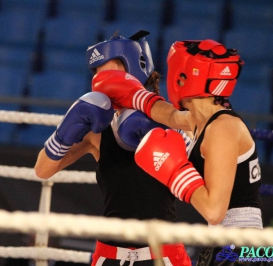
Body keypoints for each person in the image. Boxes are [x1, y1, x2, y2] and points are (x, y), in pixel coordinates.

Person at [92, 39, 273, 265]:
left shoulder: (222, 127)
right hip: (224, 243)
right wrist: (133, 94)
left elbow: (214, 210)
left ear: (182, 77)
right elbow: (168, 115)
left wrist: (176, 172)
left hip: (244, 247)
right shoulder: (200, 120)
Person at [34, 31, 192, 266]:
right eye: (97, 73)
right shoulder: (96, 129)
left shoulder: (170, 117)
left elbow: (203, 168)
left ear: (135, 69)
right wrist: (63, 134)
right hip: (110, 256)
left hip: (163, 256)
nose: (101, 79)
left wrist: (170, 135)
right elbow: (42, 170)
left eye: (108, 71)